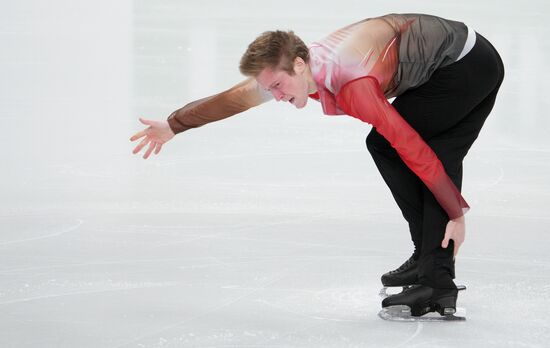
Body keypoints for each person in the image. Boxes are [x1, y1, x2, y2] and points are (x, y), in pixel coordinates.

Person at [130, 13, 504, 317]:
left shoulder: (353, 83)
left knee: (407, 149)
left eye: (277, 86)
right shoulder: (293, 69)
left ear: (298, 64)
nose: (274, 96)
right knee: (396, 148)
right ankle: (431, 265)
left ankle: (435, 279)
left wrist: (457, 212)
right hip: (458, 59)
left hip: (464, 67)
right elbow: (231, 99)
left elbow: (410, 146)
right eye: (269, 89)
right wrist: (175, 124)